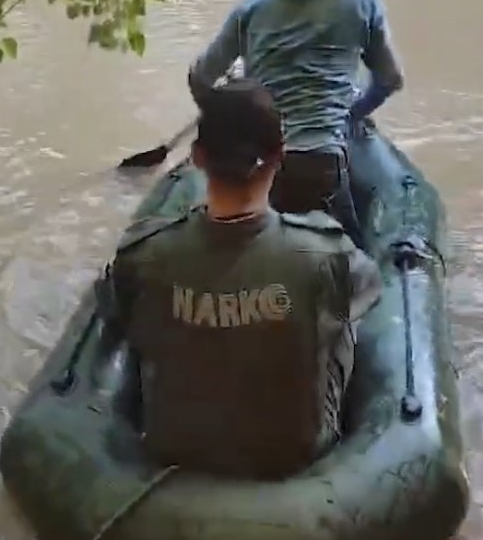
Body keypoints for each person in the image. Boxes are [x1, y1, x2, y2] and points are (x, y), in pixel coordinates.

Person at [98, 78, 382, 480]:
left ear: (197, 157)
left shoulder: (143, 253)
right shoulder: (328, 252)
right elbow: (371, 290)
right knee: (341, 316)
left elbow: (116, 314)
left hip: (174, 450)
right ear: (281, 155)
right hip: (293, 455)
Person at [187, 0, 404, 251]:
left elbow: (200, 78)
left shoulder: (251, 7)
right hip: (326, 161)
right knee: (354, 268)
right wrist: (349, 113)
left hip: (263, 166)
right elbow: (390, 79)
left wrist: (231, 119)